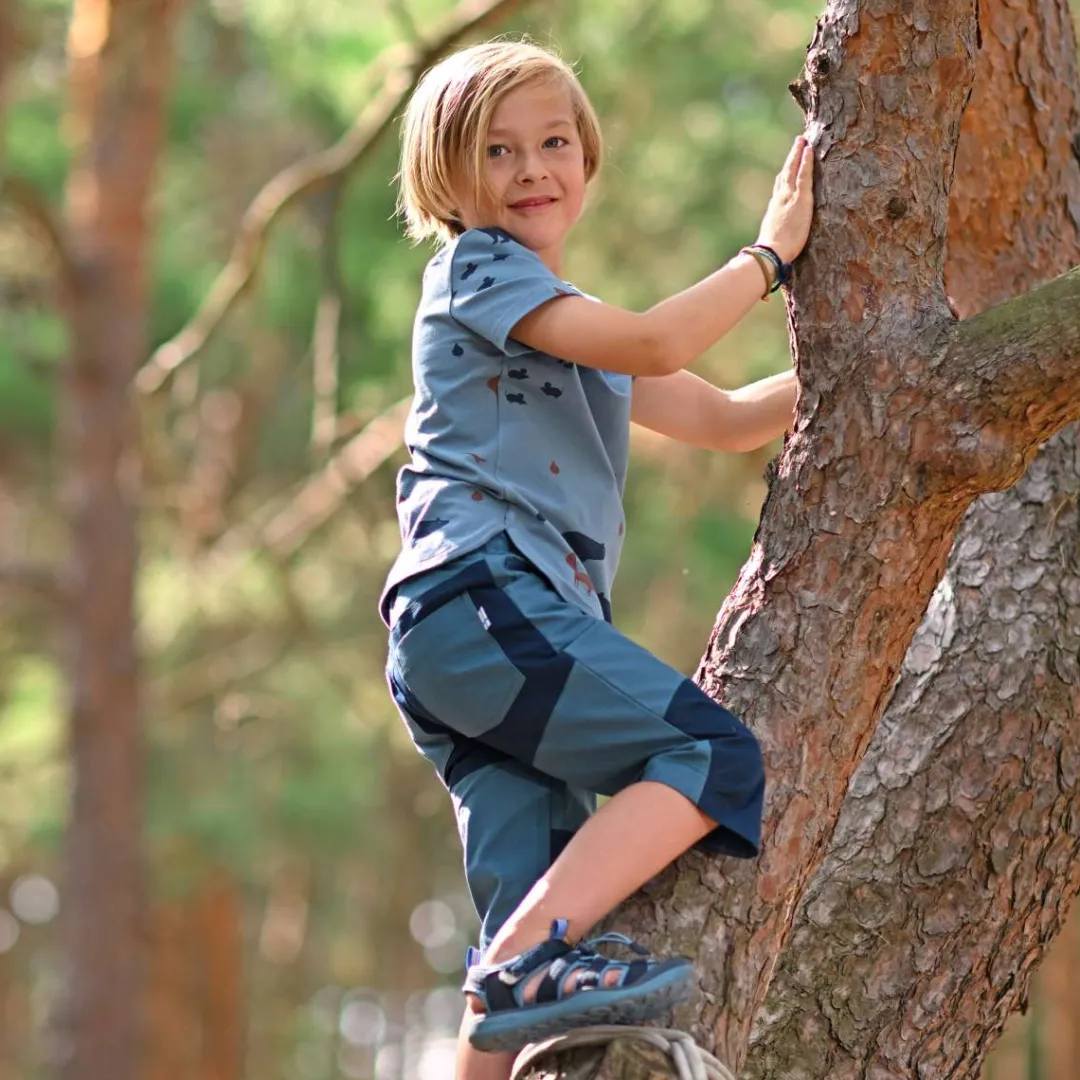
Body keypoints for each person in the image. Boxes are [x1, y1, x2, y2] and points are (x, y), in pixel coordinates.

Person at [379, 38, 814, 1080]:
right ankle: (522, 972)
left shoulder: (574, 333)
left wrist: (873, 357)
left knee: (521, 974)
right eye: (500, 151)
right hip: (482, 599)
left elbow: (725, 416)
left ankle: (513, 996)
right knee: (714, 757)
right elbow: (662, 347)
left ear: (588, 161)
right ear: (449, 177)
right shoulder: (478, 272)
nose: (533, 169)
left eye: (556, 142)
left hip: (473, 643)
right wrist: (769, 257)